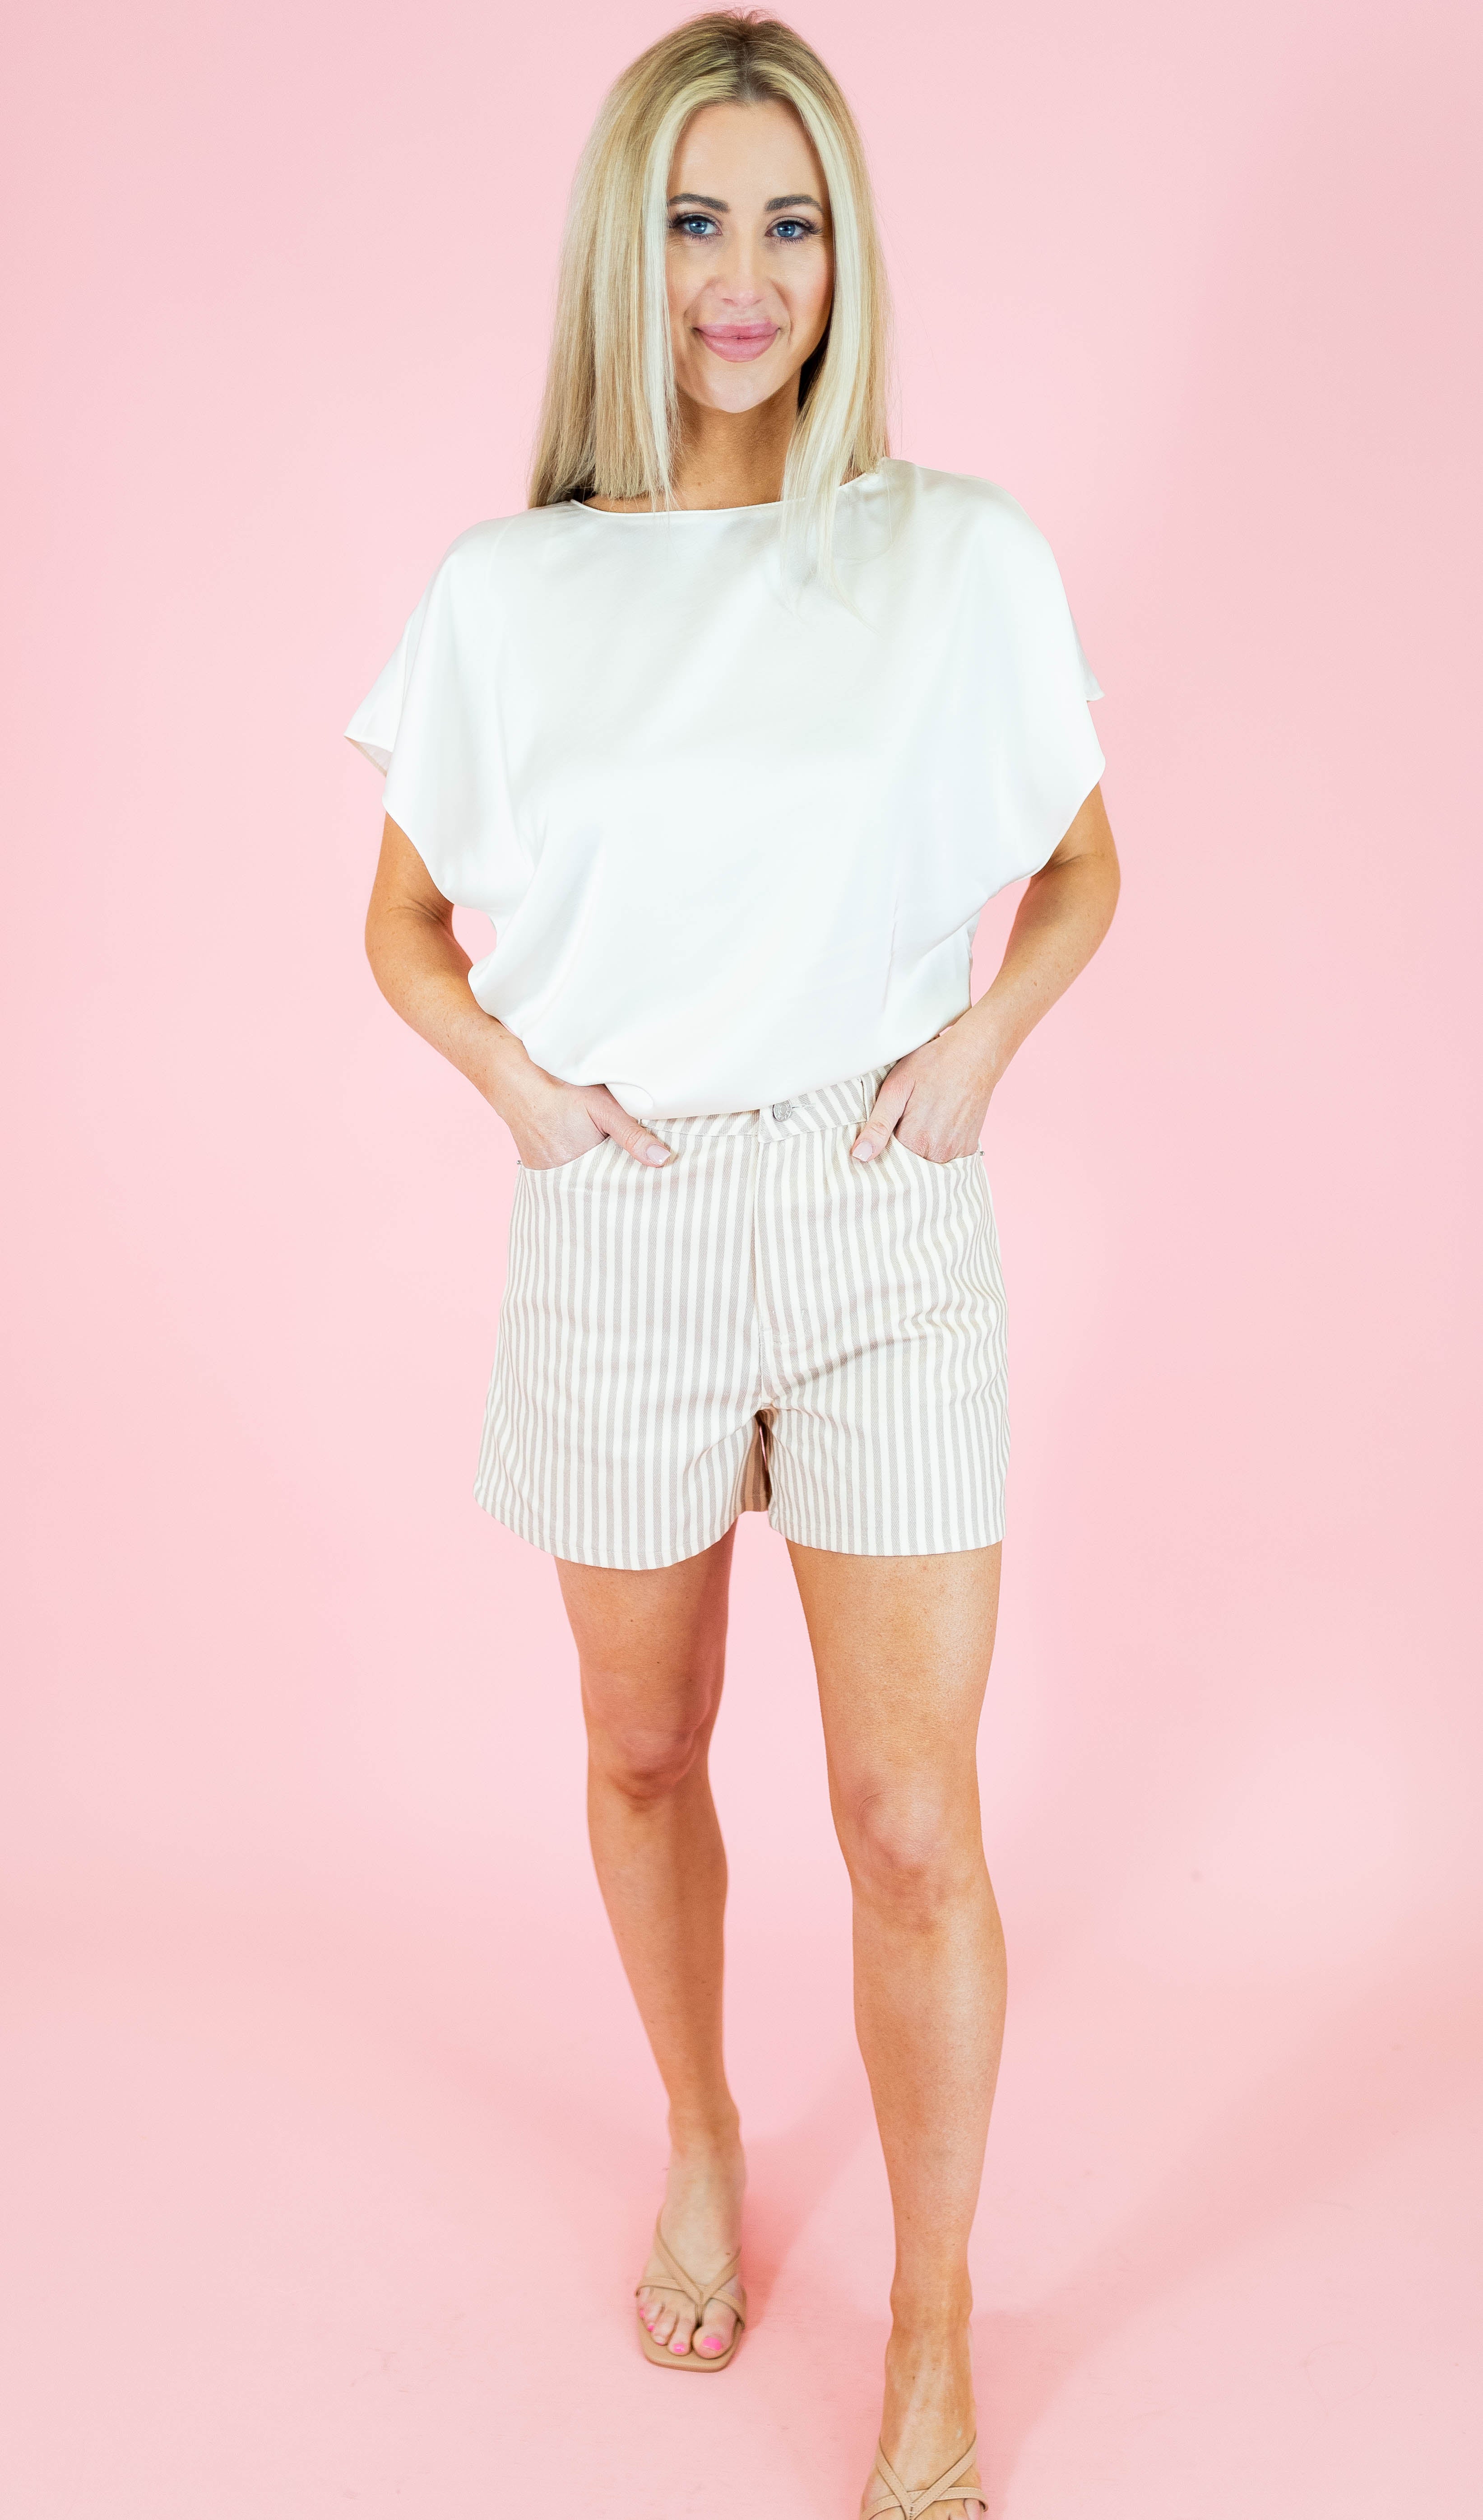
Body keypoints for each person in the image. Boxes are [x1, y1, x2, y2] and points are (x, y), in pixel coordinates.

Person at [348, 14, 1119, 2515]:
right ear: (625, 250)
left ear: (845, 256)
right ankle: (699, 2127)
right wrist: (527, 1100)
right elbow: (402, 929)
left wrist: (978, 1048)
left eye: (790, 222)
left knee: (907, 1815)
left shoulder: (951, 552)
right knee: (645, 1747)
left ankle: (931, 2337)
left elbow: (1083, 868)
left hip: (881, 1205)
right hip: (631, 1212)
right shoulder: (510, 592)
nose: (743, 276)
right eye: (694, 220)